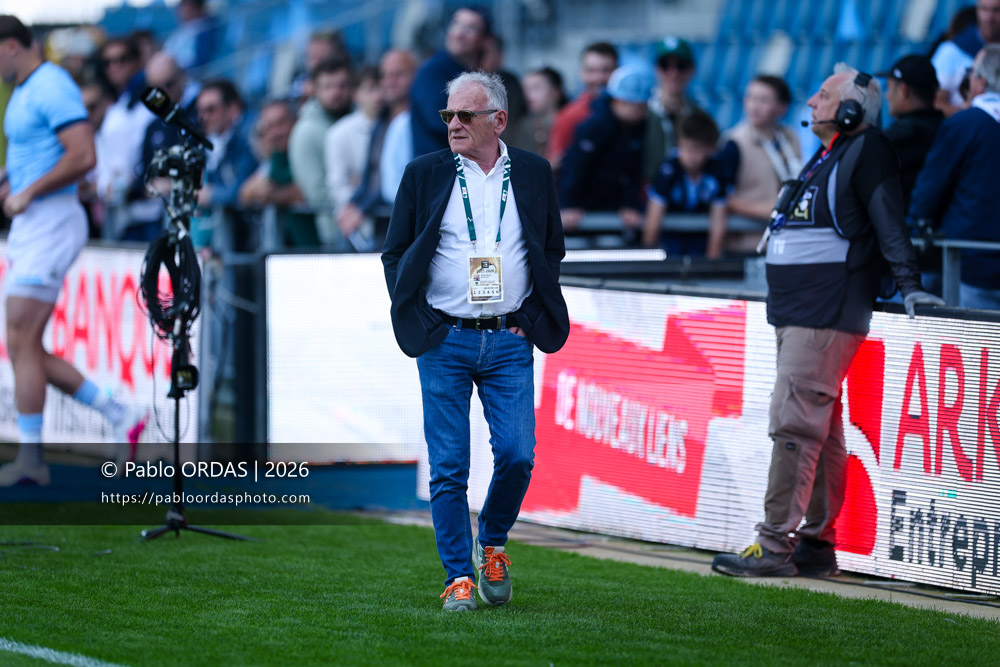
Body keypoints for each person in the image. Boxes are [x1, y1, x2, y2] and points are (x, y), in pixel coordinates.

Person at [711, 64, 944, 578]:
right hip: (803, 313)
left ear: (853, 107)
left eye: (823, 95)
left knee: (793, 424)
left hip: (824, 313)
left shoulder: (867, 149)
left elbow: (890, 222)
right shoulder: (831, 153)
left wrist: (910, 286)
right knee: (822, 431)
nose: (812, 102)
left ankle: (774, 546)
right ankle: (816, 546)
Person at [381, 71, 569, 611]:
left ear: (499, 120)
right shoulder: (424, 173)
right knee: (448, 467)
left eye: (466, 115)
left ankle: (493, 541)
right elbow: (395, 253)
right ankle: (458, 576)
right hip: (445, 339)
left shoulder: (533, 172)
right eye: (448, 116)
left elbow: (550, 250)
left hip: (510, 338)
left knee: (517, 456)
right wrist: (421, 318)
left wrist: (530, 314)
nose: (455, 124)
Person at [0, 16, 146, 486]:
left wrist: (30, 191)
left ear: (11, 46)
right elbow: (36, 154)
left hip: (51, 221)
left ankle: (31, 460)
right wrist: (11, 181)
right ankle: (119, 412)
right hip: (34, 223)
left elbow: (84, 156)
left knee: (20, 335)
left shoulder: (50, 84)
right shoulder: (26, 90)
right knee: (24, 344)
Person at [908, 45, 1000, 311]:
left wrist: (916, 227)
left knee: (973, 347)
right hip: (977, 258)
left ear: (980, 81)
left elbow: (931, 186)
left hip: (969, 261)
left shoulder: (963, 123)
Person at [559, 64, 654, 235]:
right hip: (583, 208)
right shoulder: (595, 126)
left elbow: (634, 169)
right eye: (638, 106)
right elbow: (576, 167)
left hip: (612, 207)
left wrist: (629, 205)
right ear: (619, 101)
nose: (643, 111)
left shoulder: (636, 126)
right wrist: (569, 205)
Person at [337, 49, 417, 248]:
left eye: (398, 75)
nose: (390, 81)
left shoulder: (420, 123)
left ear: (415, 76)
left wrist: (362, 207)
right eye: (385, 76)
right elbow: (371, 173)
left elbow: (398, 182)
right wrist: (353, 203)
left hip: (410, 228)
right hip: (383, 227)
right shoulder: (381, 121)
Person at [721, 75, 802, 256]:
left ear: (782, 107)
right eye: (750, 98)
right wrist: (776, 210)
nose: (754, 105)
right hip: (747, 245)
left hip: (786, 243)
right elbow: (723, 199)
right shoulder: (734, 143)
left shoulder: (791, 138)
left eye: (763, 100)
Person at [641, 110, 733, 258]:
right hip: (670, 238)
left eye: (697, 149)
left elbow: (718, 221)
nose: (690, 155)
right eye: (685, 147)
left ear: (710, 149)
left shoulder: (717, 171)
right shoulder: (668, 170)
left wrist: (710, 263)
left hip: (699, 238)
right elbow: (653, 218)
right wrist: (648, 259)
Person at [410, 6, 491, 158]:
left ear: (485, 40)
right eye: (456, 24)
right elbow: (443, 123)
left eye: (471, 28)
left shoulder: (475, 74)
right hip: (441, 174)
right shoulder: (433, 71)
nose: (460, 34)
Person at [289, 58, 354, 247]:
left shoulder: (363, 118)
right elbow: (316, 193)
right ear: (315, 90)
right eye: (328, 87)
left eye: (342, 85)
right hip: (336, 234)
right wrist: (357, 197)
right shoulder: (305, 132)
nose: (336, 93)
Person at [239, 100, 316, 247]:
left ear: (295, 121)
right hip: (285, 248)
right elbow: (245, 194)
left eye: (280, 124)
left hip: (316, 245)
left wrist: (273, 195)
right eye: (269, 127)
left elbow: (304, 192)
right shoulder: (276, 156)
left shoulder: (305, 149)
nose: (275, 133)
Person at [325, 65, 383, 251]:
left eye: (380, 88)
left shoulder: (397, 126)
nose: (377, 96)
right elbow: (337, 186)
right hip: (355, 230)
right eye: (370, 89)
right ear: (356, 94)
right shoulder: (339, 134)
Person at [879, 54, 944, 209]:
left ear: (902, 90)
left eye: (889, 87)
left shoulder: (895, 138)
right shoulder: (948, 129)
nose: (886, 95)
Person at [547, 41, 617, 171]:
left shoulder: (631, 112)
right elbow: (555, 165)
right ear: (581, 73)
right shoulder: (569, 116)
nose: (598, 78)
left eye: (606, 70)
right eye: (591, 71)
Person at [646, 36, 706, 179]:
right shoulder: (640, 114)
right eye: (665, 65)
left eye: (681, 66)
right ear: (656, 69)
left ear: (692, 70)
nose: (673, 73)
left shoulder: (700, 118)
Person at [931, 0, 1000, 115]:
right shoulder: (952, 50)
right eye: (984, 9)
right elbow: (935, 102)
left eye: (997, 10)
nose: (989, 18)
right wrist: (967, 114)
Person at [507, 66, 567, 157]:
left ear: (555, 92)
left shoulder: (569, 122)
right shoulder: (521, 126)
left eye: (536, 88)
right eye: (525, 89)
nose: (527, 94)